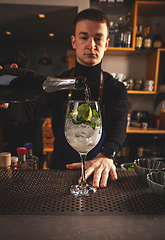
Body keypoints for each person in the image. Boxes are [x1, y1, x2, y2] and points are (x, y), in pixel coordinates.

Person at [0, 8, 128, 188]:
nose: (91, 44)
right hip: (60, 173)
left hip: (98, 175)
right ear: (74, 42)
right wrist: (6, 103)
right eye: (84, 37)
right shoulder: (57, 84)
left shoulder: (116, 88)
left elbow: (119, 127)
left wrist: (106, 155)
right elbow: (27, 111)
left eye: (98, 38)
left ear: (106, 43)